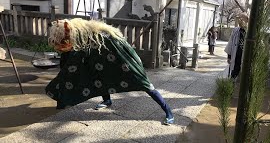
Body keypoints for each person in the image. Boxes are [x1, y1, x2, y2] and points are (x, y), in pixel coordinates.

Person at [45, 18, 174, 125]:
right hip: (101, 58)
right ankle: (107, 101)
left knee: (143, 82)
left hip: (122, 57)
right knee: (99, 76)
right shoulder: (81, 35)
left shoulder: (102, 35)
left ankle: (168, 111)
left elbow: (120, 50)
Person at [224, 13, 249, 80]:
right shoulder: (235, 30)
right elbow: (230, 43)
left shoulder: (249, 31)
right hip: (236, 55)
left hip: (244, 57)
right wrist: (229, 56)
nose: (240, 20)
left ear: (247, 20)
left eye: (242, 18)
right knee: (233, 73)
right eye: (239, 18)